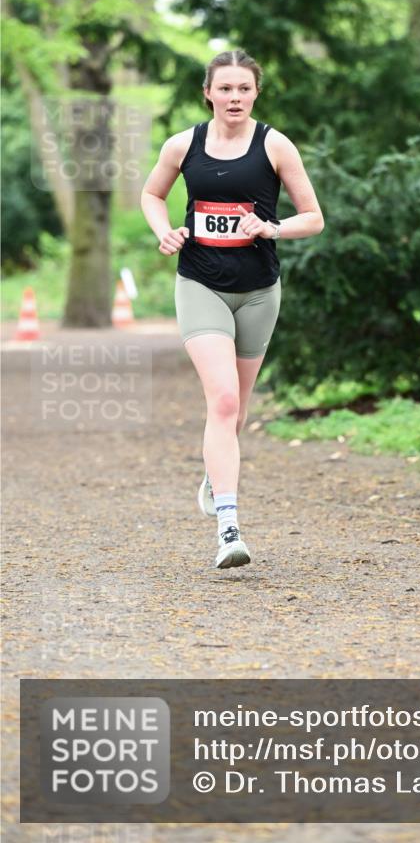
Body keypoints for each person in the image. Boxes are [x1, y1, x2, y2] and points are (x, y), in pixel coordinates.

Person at [141, 48, 325, 569]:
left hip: (260, 290)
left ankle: (214, 467)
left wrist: (273, 227)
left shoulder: (275, 145)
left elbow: (313, 217)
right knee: (222, 401)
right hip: (201, 284)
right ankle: (228, 526)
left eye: (244, 88)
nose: (235, 97)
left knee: (237, 411)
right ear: (208, 93)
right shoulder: (183, 145)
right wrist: (166, 231)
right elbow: (152, 195)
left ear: (256, 93)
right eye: (225, 88)